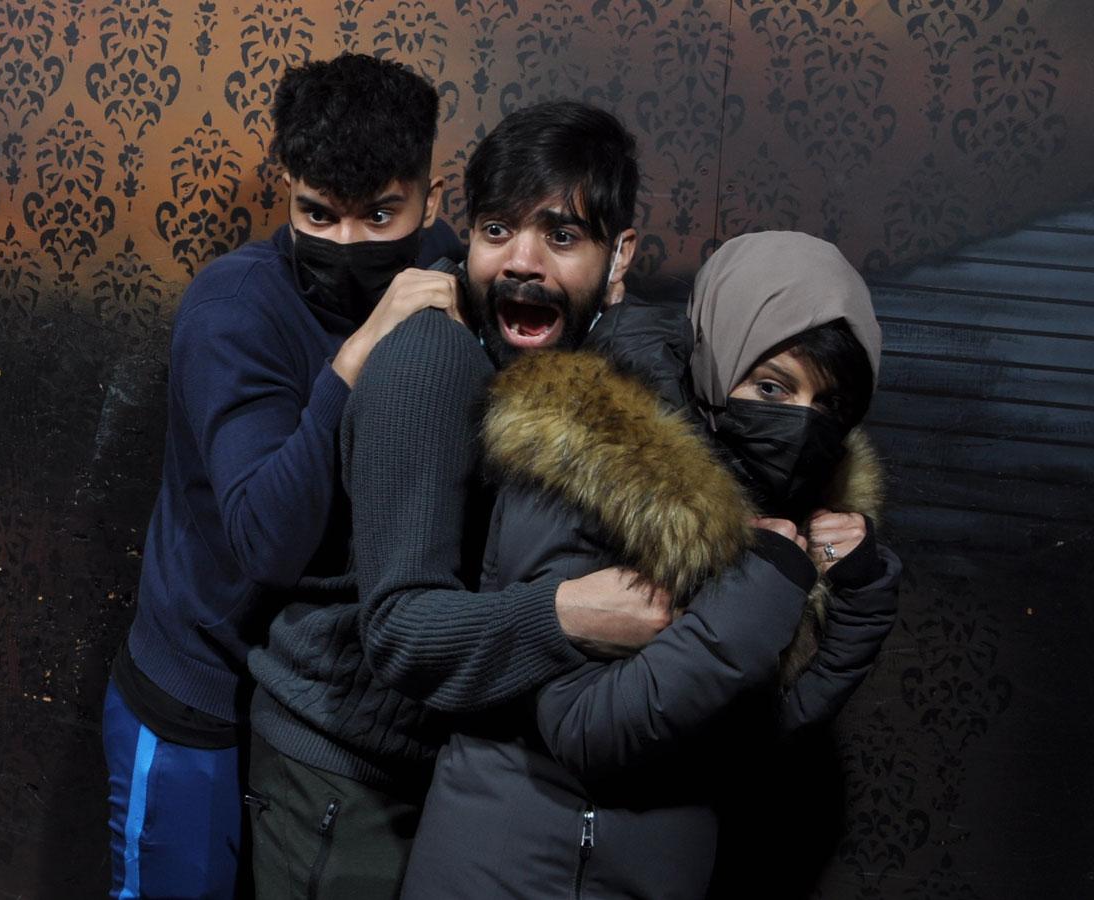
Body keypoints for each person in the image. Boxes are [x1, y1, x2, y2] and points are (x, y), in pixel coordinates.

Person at [245, 100, 674, 898]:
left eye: (562, 236)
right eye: (497, 230)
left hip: (431, 774)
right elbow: (400, 629)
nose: (522, 262)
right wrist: (568, 614)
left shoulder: (571, 359)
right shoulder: (434, 363)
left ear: (619, 257)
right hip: (344, 781)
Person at [397, 230, 902, 899]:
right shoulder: (593, 454)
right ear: (722, 352)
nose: (802, 424)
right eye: (773, 388)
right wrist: (760, 588)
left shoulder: (785, 498)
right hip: (514, 866)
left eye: (829, 404)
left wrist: (860, 596)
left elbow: (765, 729)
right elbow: (586, 730)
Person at [100, 53, 465, 898]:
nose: (348, 244)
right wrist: (354, 358)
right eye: (318, 214)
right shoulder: (235, 309)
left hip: (314, 721)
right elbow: (265, 540)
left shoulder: (445, 272)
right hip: (198, 705)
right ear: (288, 192)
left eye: (381, 214)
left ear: (432, 200)